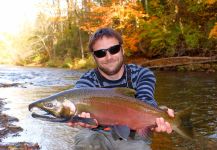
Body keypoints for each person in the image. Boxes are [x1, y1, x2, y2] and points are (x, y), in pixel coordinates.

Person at [67, 27, 174, 150]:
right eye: (101, 53)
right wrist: (76, 117)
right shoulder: (87, 81)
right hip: (96, 132)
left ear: (122, 50)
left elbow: (146, 101)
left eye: (114, 49)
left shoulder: (142, 74)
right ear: (94, 57)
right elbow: (75, 97)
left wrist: (161, 115)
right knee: (86, 143)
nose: (109, 57)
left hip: (133, 132)